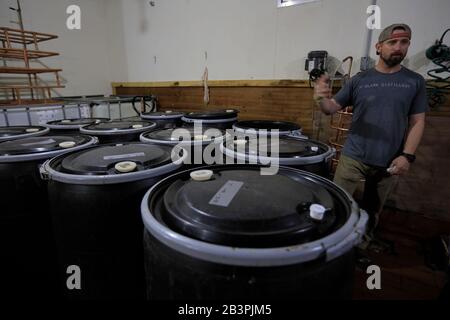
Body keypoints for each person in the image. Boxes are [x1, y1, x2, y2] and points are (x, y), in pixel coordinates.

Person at [313, 23, 428, 248]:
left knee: (372, 209)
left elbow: (418, 121)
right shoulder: (359, 80)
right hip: (353, 155)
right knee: (338, 202)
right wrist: (320, 96)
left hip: (389, 159)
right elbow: (330, 108)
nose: (398, 47)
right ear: (378, 47)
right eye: (392, 42)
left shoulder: (415, 82)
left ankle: (361, 247)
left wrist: (407, 156)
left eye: (404, 42)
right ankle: (332, 245)